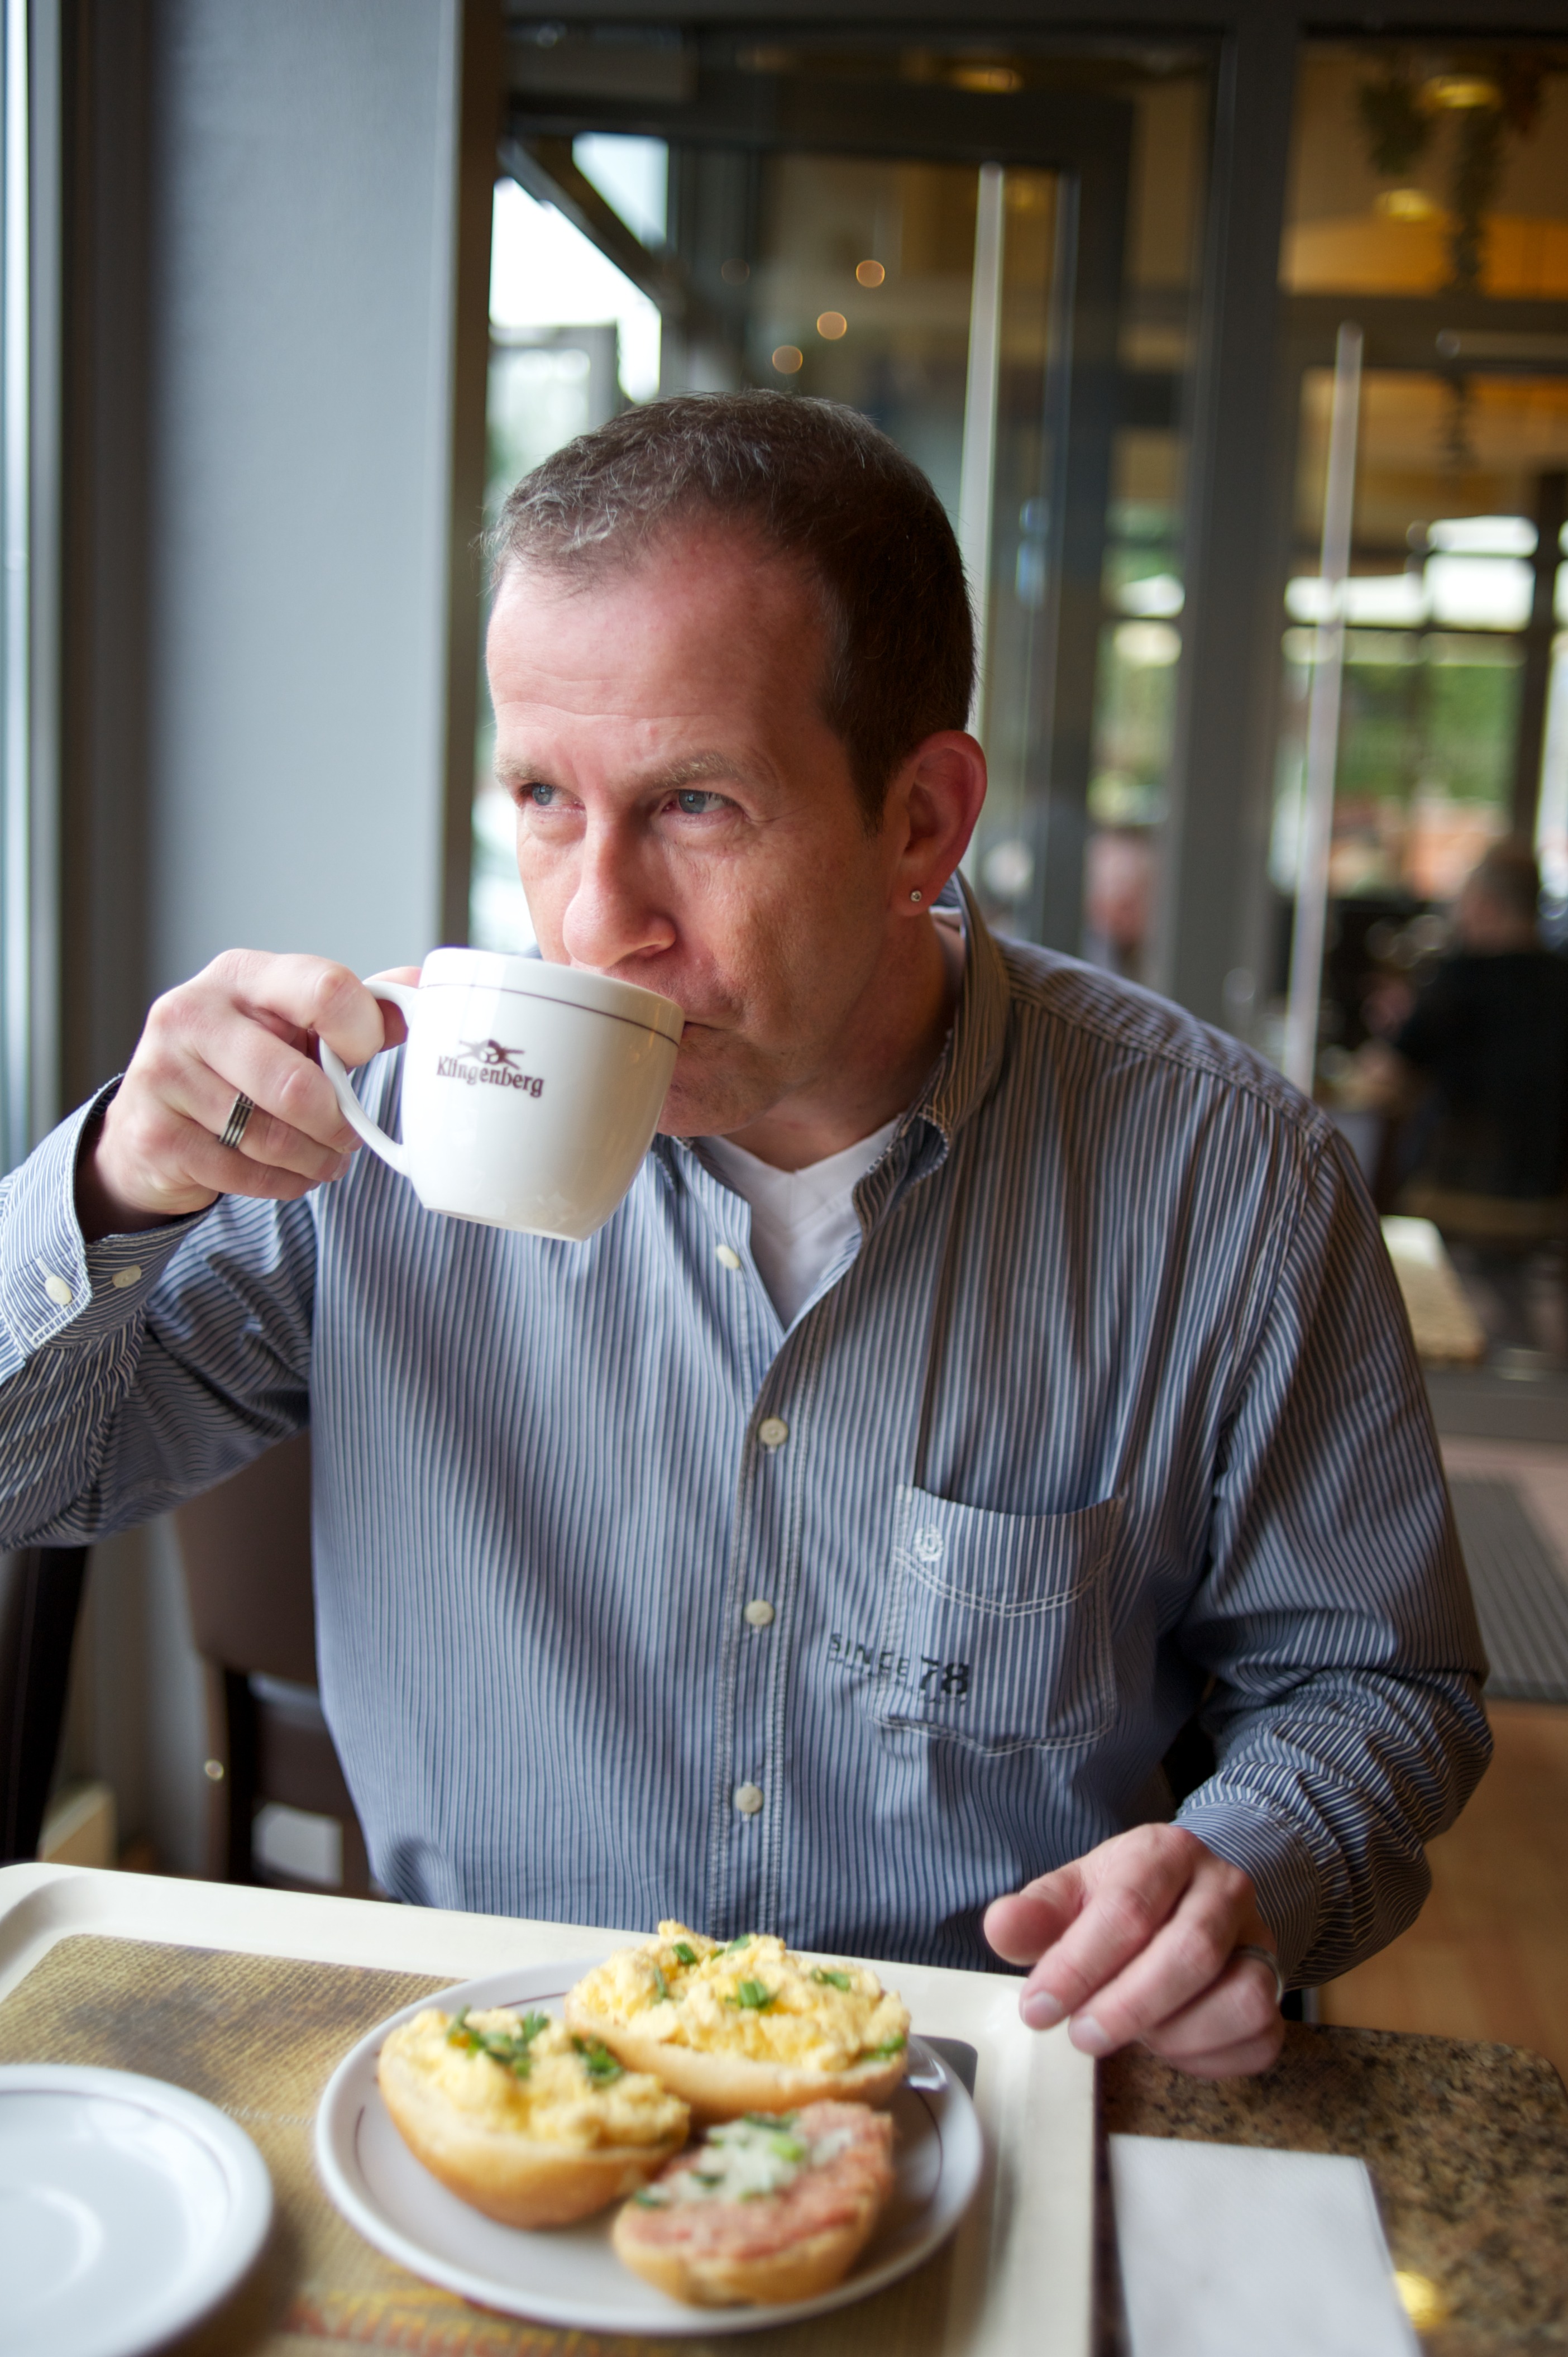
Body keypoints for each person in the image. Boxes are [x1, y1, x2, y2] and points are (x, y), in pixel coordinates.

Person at [0, 394, 1488, 2082]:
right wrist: (116, 1182)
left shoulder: (1225, 1176)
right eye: (543, 795)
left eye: (697, 803)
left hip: (978, 2081)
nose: (596, 922)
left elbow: (1374, 1683)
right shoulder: (376, 1122)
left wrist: (1243, 1871)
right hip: (503, 2082)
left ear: (921, 820)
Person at [1360, 841, 1568, 1349]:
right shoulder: (1561, 979)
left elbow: (1384, 1075)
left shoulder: (1461, 979)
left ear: (1486, 906)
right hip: (1549, 1192)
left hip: (1456, 1188)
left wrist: (1394, 1030)